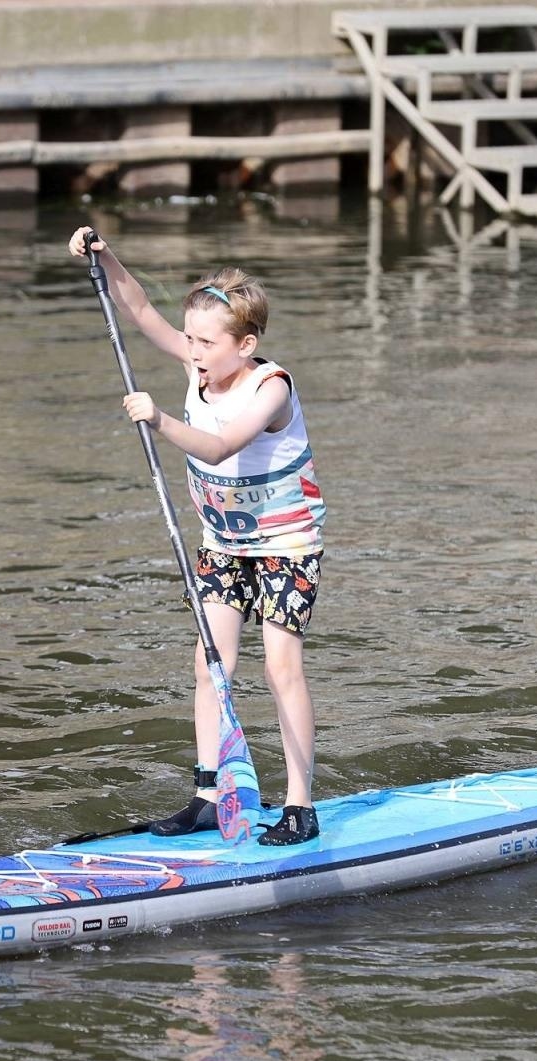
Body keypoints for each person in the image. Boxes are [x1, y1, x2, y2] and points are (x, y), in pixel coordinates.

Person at [68, 226, 327, 846]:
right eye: (190, 339)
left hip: (286, 545)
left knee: (280, 668)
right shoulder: (198, 361)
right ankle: (210, 795)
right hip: (223, 542)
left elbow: (219, 445)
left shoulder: (271, 388)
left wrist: (157, 419)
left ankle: (300, 805)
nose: (193, 351)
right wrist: (104, 256)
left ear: (246, 344)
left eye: (207, 343)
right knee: (210, 665)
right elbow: (134, 306)